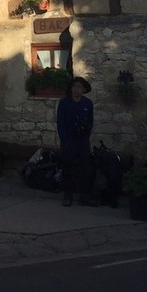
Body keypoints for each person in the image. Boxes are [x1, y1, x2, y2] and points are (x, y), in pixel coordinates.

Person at [57, 76, 97, 207]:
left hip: (83, 141)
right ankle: (67, 196)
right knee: (67, 167)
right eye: (74, 87)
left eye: (79, 87)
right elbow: (60, 123)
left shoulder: (87, 103)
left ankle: (84, 196)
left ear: (84, 89)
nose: (76, 90)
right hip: (68, 140)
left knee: (85, 168)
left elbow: (90, 122)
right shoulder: (64, 103)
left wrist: (86, 136)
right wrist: (64, 140)